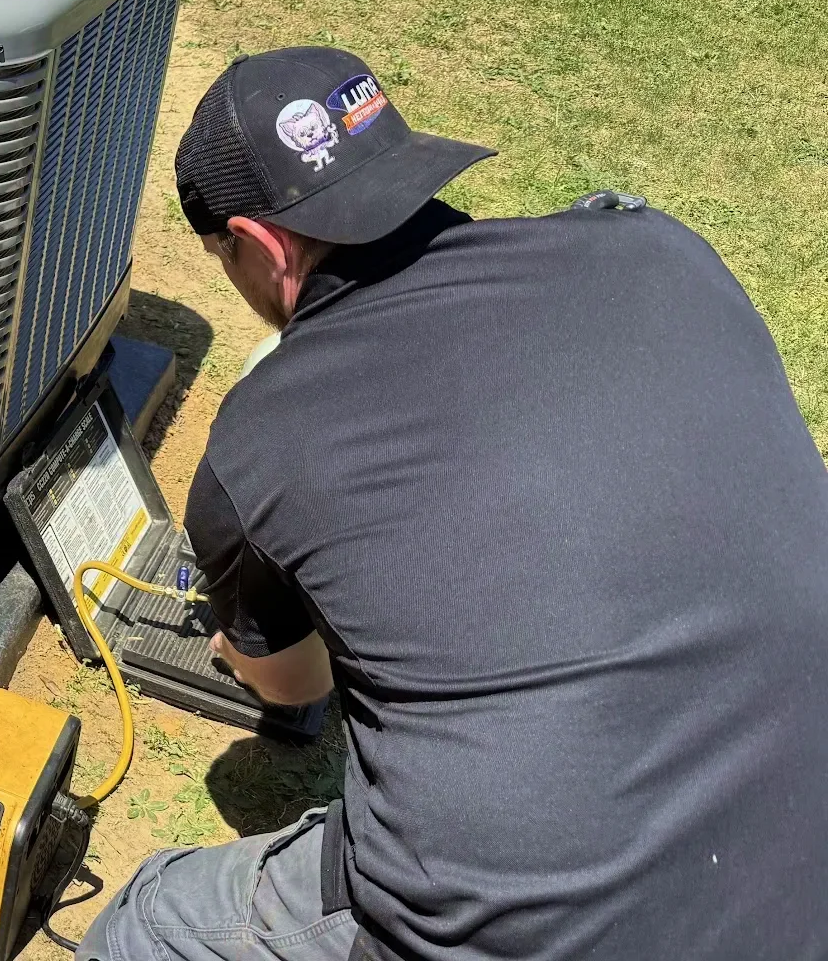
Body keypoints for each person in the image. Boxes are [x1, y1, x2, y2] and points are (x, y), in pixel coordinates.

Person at [76, 47, 828, 961]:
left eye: (217, 254)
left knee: (149, 918)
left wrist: (244, 644)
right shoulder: (660, 249)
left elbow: (298, 686)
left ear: (262, 246)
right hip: (802, 860)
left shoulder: (266, 437)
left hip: (544, 928)